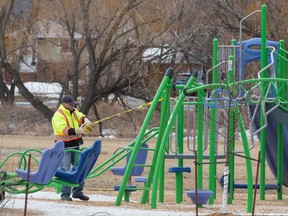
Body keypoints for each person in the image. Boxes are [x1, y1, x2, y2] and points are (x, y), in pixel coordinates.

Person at [51, 95, 92, 201]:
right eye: (70, 104)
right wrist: (76, 131)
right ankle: (65, 195)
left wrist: (86, 120)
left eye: (73, 104)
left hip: (75, 145)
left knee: (80, 167)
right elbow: (63, 129)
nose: (72, 105)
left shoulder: (73, 111)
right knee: (65, 170)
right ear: (64, 103)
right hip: (63, 147)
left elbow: (80, 115)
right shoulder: (58, 115)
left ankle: (78, 192)